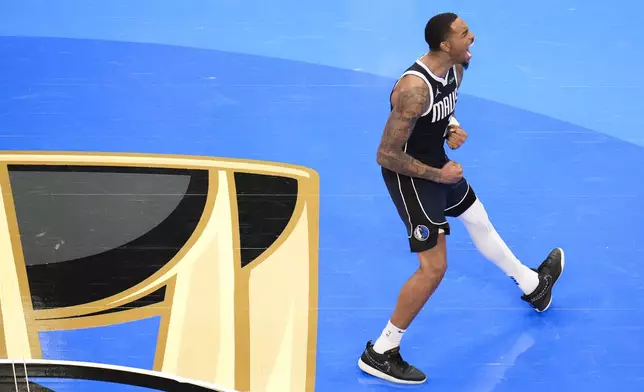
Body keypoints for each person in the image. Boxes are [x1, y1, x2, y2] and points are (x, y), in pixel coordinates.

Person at [357, 12, 565, 384]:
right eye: (464, 33)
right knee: (434, 269)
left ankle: (533, 286)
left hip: (437, 163)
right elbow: (386, 154)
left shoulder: (457, 69)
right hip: (411, 176)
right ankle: (381, 351)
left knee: (476, 217)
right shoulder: (413, 89)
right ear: (443, 44)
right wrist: (440, 174)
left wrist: (450, 127)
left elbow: (443, 110)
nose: (473, 38)